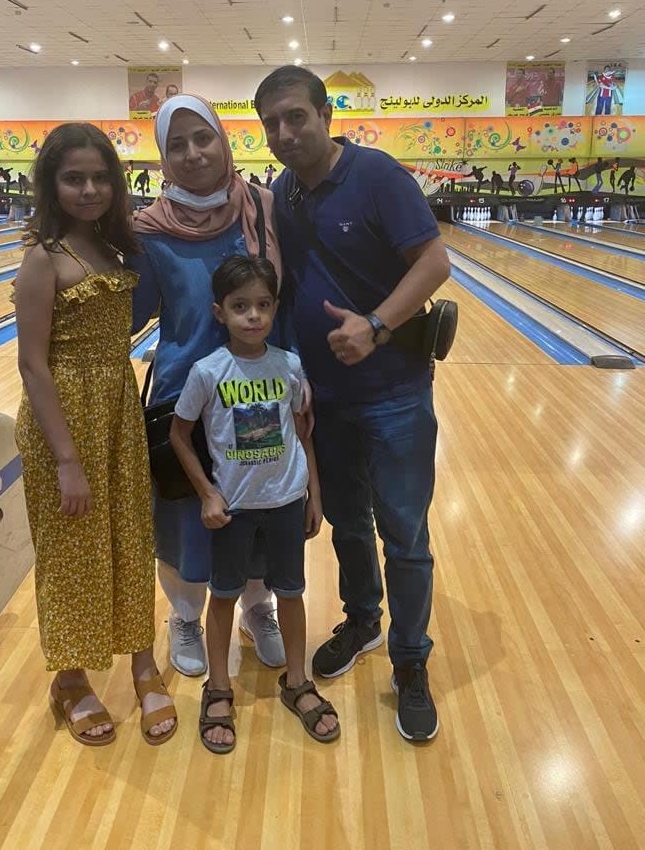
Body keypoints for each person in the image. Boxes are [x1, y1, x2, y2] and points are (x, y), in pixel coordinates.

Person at [254, 65, 451, 742]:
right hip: (328, 398)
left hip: (394, 394)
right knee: (346, 523)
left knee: (405, 535)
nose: (284, 133)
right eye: (272, 123)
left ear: (325, 113)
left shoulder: (377, 175)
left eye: (295, 116)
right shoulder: (285, 194)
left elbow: (433, 261)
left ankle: (411, 663)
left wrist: (378, 325)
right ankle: (363, 622)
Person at [13, 122, 176, 748]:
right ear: (53, 186)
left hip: (118, 414)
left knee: (130, 541)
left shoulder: (115, 249)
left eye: (100, 177)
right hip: (65, 423)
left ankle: (141, 662)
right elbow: (32, 365)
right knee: (71, 552)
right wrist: (66, 461)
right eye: (74, 178)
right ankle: (72, 678)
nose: (89, 189)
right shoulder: (44, 259)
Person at [129, 94, 287, 678]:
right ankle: (186, 616)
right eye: (177, 144)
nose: (193, 153)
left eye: (204, 138)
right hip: (184, 397)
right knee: (187, 517)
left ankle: (258, 607)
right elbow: (135, 313)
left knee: (257, 503)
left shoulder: (263, 208)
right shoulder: (147, 229)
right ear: (163, 158)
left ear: (224, 140)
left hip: (258, 389)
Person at [171, 255, 339, 753]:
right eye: (240, 306)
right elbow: (180, 437)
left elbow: (303, 436)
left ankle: (297, 681)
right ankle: (218, 688)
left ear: (274, 308)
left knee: (290, 592)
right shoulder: (208, 371)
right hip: (235, 510)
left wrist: (315, 494)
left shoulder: (289, 365)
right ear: (220, 312)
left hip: (287, 501)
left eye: (263, 305)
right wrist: (207, 492)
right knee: (222, 596)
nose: (253, 316)